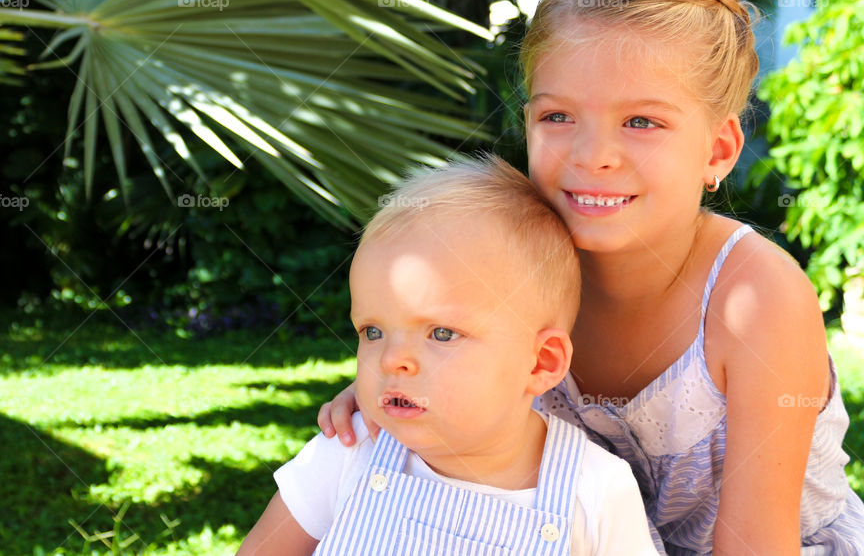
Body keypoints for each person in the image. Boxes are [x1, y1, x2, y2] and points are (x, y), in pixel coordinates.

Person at [318, 0, 864, 555]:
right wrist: (403, 392)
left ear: (718, 150)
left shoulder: (754, 297)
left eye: (640, 121)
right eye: (558, 115)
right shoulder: (510, 267)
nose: (592, 154)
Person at [238, 155, 660, 555]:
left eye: (441, 333)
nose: (391, 360)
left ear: (540, 363)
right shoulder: (350, 450)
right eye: (373, 331)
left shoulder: (595, 490)